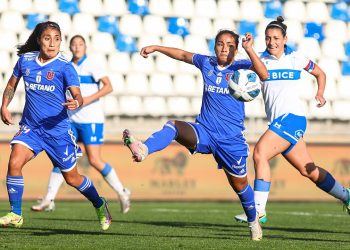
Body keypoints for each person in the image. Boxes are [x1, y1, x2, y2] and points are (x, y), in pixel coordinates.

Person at [123, 30, 269, 241]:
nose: (224, 48)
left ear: (235, 49)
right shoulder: (207, 63)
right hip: (204, 131)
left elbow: (263, 75)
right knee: (173, 126)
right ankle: (144, 149)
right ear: (214, 46)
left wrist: (249, 50)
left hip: (230, 140)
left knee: (240, 186)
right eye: (220, 43)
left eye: (229, 45)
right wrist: (156, 47)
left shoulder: (241, 67)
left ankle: (253, 221)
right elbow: (182, 55)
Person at [234, 16, 350, 224]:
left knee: (260, 153)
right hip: (279, 123)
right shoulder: (259, 60)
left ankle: (258, 210)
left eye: (276, 38)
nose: (272, 42)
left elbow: (320, 73)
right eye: (268, 38)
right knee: (309, 170)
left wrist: (320, 93)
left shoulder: (297, 58)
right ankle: (346, 195)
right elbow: (243, 77)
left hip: (293, 119)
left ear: (285, 39)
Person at [0, 21, 112, 230]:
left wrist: (76, 101)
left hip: (58, 132)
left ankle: (99, 203)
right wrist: (4, 105)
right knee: (14, 162)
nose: (52, 44)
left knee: (72, 178)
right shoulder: (25, 60)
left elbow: (77, 94)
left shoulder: (65, 67)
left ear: (61, 42)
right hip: (32, 129)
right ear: (39, 40)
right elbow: (11, 84)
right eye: (47, 38)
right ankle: (16, 213)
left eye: (57, 39)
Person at [31, 35, 131, 214]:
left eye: (80, 44)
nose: (77, 48)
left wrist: (87, 99)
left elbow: (108, 86)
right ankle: (49, 198)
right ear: (70, 47)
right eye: (74, 45)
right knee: (61, 157)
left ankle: (122, 192)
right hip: (70, 120)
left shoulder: (92, 64)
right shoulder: (66, 66)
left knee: (94, 160)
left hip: (91, 119)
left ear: (85, 47)